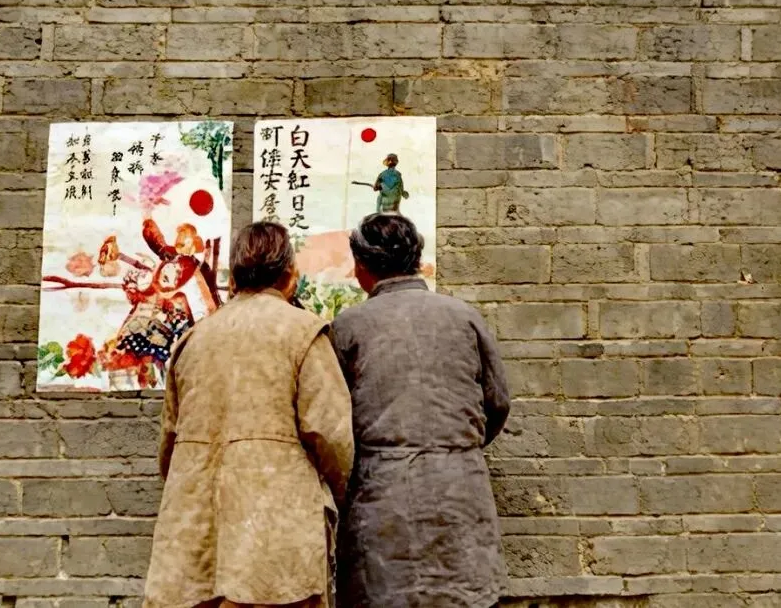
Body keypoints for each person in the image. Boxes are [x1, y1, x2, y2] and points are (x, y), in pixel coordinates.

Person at [143, 222, 354, 608]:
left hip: (194, 538)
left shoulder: (194, 340)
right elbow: (332, 437)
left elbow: (168, 448)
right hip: (274, 538)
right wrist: (342, 497)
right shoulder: (304, 333)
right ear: (289, 275)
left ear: (235, 278)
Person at [329, 213, 510, 608]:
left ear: (361, 267)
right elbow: (497, 403)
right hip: (460, 492)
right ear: (416, 260)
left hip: (381, 499)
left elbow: (332, 423)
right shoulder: (464, 317)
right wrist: (454, 446)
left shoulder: (348, 327)